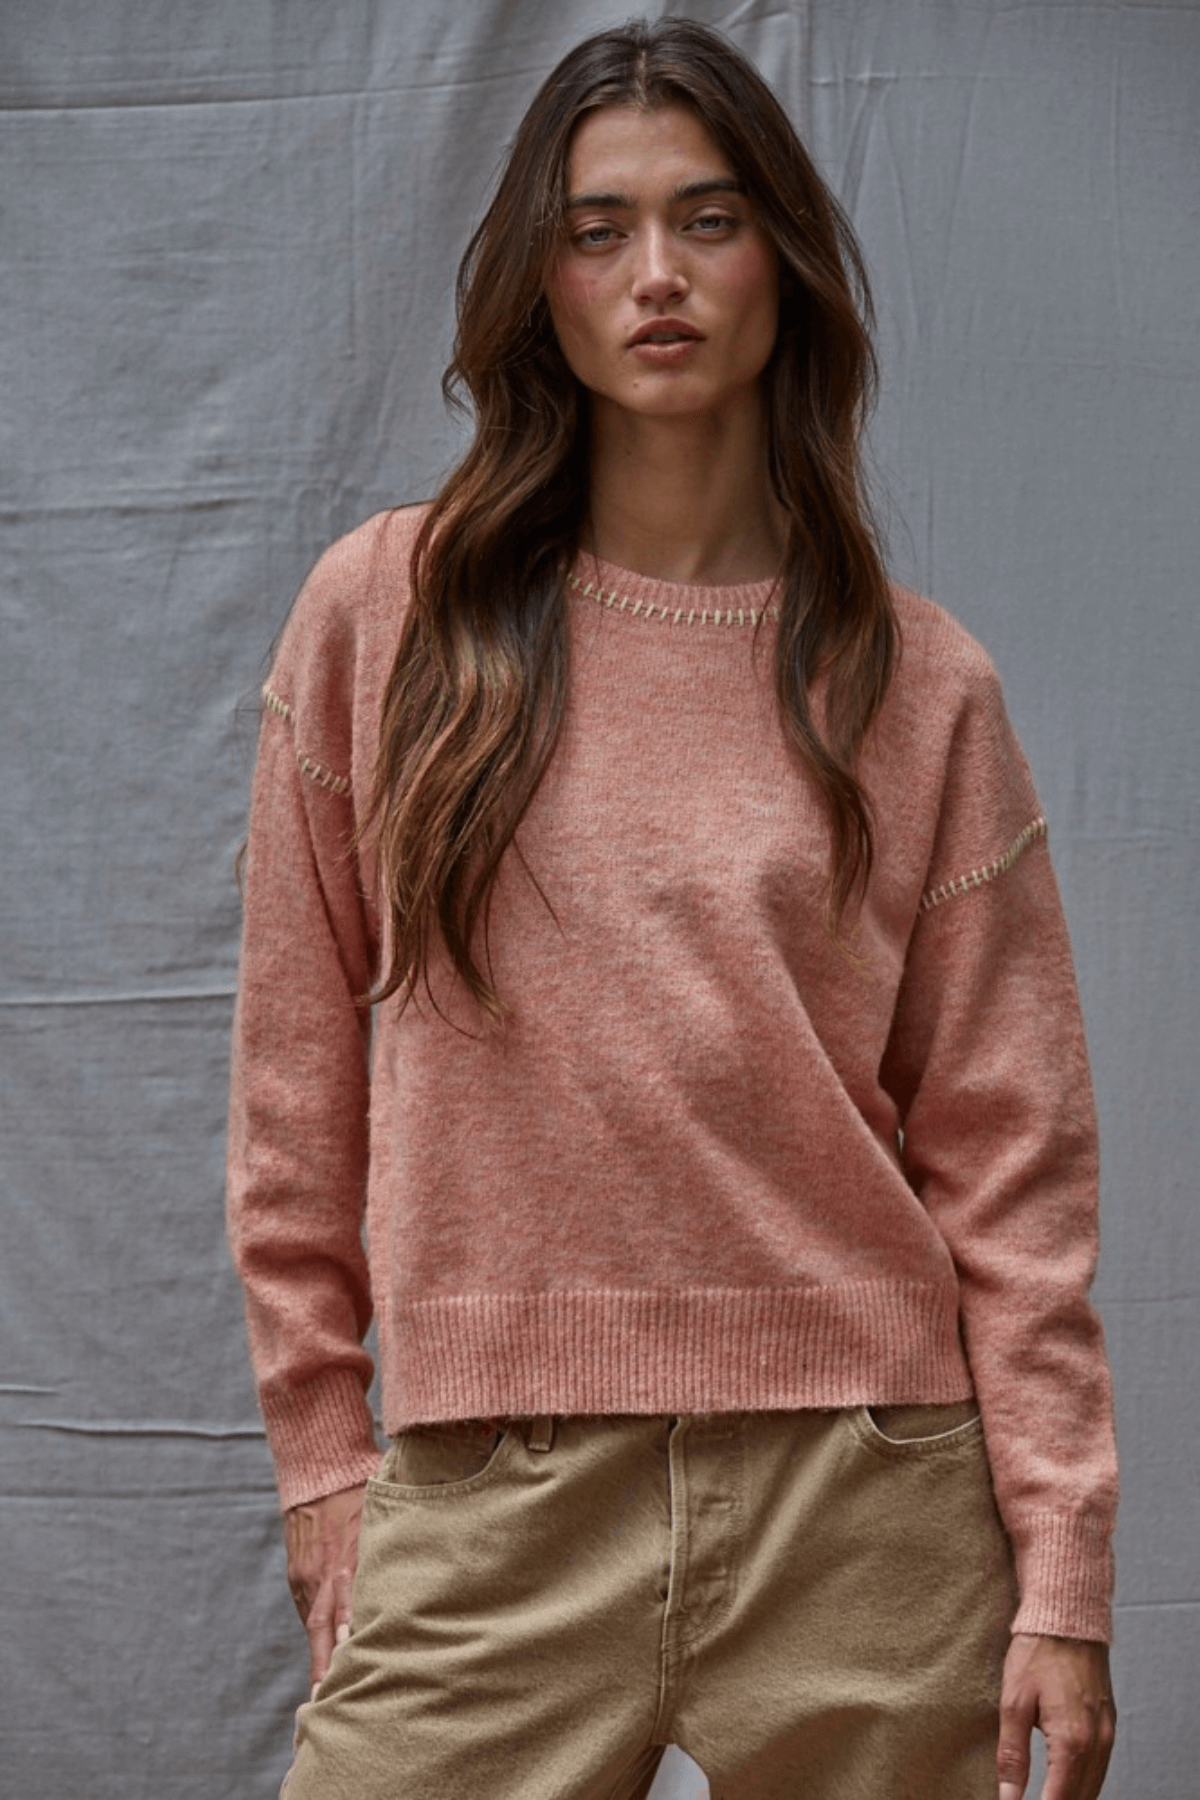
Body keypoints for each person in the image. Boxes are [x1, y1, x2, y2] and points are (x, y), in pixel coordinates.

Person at [226, 17, 1118, 1800]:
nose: (657, 274)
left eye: (710, 220)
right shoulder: (383, 621)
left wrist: (1065, 1573)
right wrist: (324, 1459)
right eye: (598, 228)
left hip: (863, 1499)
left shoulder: (920, 684)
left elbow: (1014, 1167)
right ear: (537, 282)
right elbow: (291, 1094)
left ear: (784, 261)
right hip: (495, 1495)